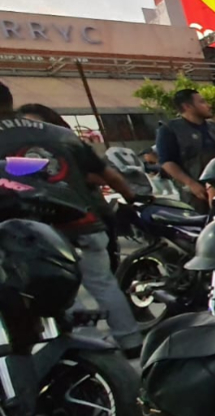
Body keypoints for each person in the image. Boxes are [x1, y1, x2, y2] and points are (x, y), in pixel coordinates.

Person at [3, 86, 143, 356]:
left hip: (34, 234)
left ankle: (86, 352)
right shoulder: (61, 134)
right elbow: (109, 175)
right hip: (85, 221)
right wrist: (132, 199)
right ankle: (131, 343)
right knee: (104, 284)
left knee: (63, 295)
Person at [154, 88, 215, 211]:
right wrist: (191, 184)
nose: (208, 105)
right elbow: (167, 162)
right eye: (202, 102)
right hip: (196, 192)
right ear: (187, 106)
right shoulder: (169, 129)